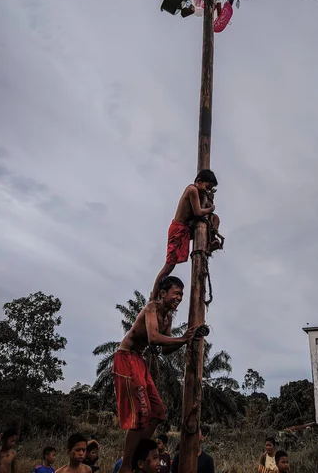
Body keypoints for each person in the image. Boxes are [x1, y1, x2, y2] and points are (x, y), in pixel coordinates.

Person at [113, 276, 199, 473]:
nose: (179, 298)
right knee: (140, 416)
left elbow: (165, 348)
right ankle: (126, 466)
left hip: (139, 360)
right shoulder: (152, 307)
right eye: (176, 293)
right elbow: (153, 338)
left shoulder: (167, 317)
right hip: (126, 358)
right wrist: (183, 339)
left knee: (158, 413)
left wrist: (187, 340)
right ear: (163, 293)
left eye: (182, 295)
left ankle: (137, 455)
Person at [151, 170, 219, 299]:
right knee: (169, 266)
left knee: (215, 219)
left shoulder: (200, 193)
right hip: (178, 229)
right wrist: (210, 208)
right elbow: (198, 212)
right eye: (206, 186)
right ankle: (153, 297)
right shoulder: (192, 190)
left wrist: (208, 201)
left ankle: (211, 242)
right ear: (199, 181)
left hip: (187, 229)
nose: (206, 190)